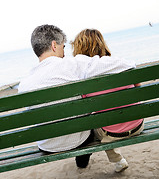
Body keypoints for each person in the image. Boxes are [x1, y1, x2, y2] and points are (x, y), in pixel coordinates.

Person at [18, 24, 136, 170]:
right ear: (54, 45)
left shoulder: (24, 84)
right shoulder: (73, 64)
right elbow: (124, 64)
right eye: (63, 46)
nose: (64, 52)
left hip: (47, 145)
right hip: (78, 140)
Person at [71, 28, 144, 172]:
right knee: (106, 119)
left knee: (95, 125)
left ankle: (117, 159)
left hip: (110, 134)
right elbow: (139, 89)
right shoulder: (122, 64)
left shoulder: (83, 75)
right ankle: (117, 160)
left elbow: (84, 106)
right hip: (137, 124)